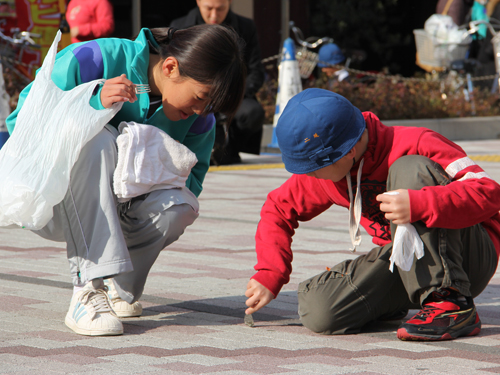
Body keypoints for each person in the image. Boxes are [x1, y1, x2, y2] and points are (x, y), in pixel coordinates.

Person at [6, 24, 245, 336]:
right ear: (171, 67)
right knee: (98, 140)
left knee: (182, 204)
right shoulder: (93, 59)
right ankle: (87, 292)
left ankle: (119, 283)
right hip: (54, 202)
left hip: (121, 214)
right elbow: (21, 126)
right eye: (201, 97)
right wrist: (89, 104)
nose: (201, 110)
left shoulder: (200, 120)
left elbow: (191, 180)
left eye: (211, 105)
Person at [245, 88, 500, 341]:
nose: (308, 176)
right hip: (406, 260)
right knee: (319, 310)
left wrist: (420, 202)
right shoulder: (328, 173)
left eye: (313, 168)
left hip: (468, 258)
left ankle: (451, 303)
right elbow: (277, 209)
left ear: (348, 152)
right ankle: (395, 303)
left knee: (410, 168)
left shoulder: (418, 141)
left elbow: (489, 193)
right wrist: (270, 273)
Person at [170, 0, 265, 165]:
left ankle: (231, 150)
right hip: (194, 93)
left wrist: (231, 93)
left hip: (233, 92)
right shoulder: (180, 26)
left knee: (252, 113)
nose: (214, 15)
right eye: (209, 9)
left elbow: (256, 71)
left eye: (220, 9)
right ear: (199, 2)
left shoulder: (246, 27)